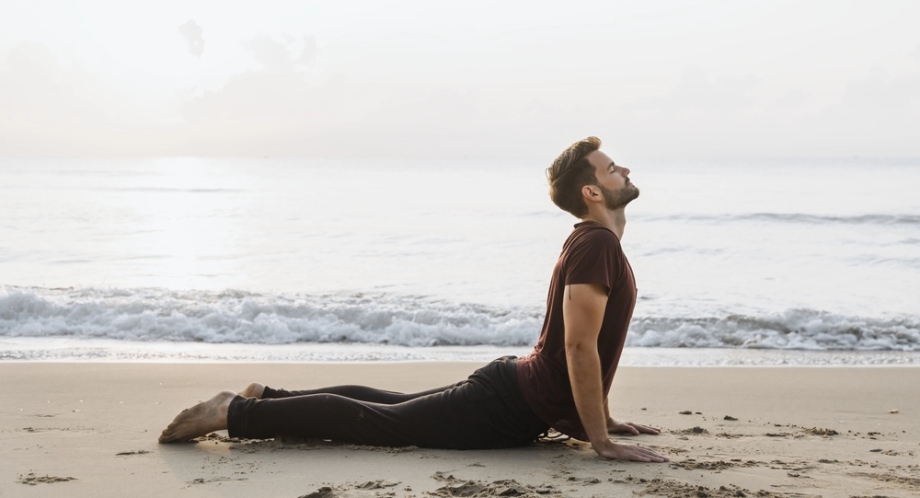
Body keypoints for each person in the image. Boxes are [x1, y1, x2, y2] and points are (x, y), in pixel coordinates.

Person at [159, 137, 668, 463]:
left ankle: (268, 397)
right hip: (509, 402)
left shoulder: (595, 243)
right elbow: (580, 349)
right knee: (388, 423)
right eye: (610, 168)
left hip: (514, 390)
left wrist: (602, 415)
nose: (622, 168)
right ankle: (235, 412)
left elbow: (583, 345)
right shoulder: (597, 244)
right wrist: (601, 440)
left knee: (397, 408)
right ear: (593, 193)